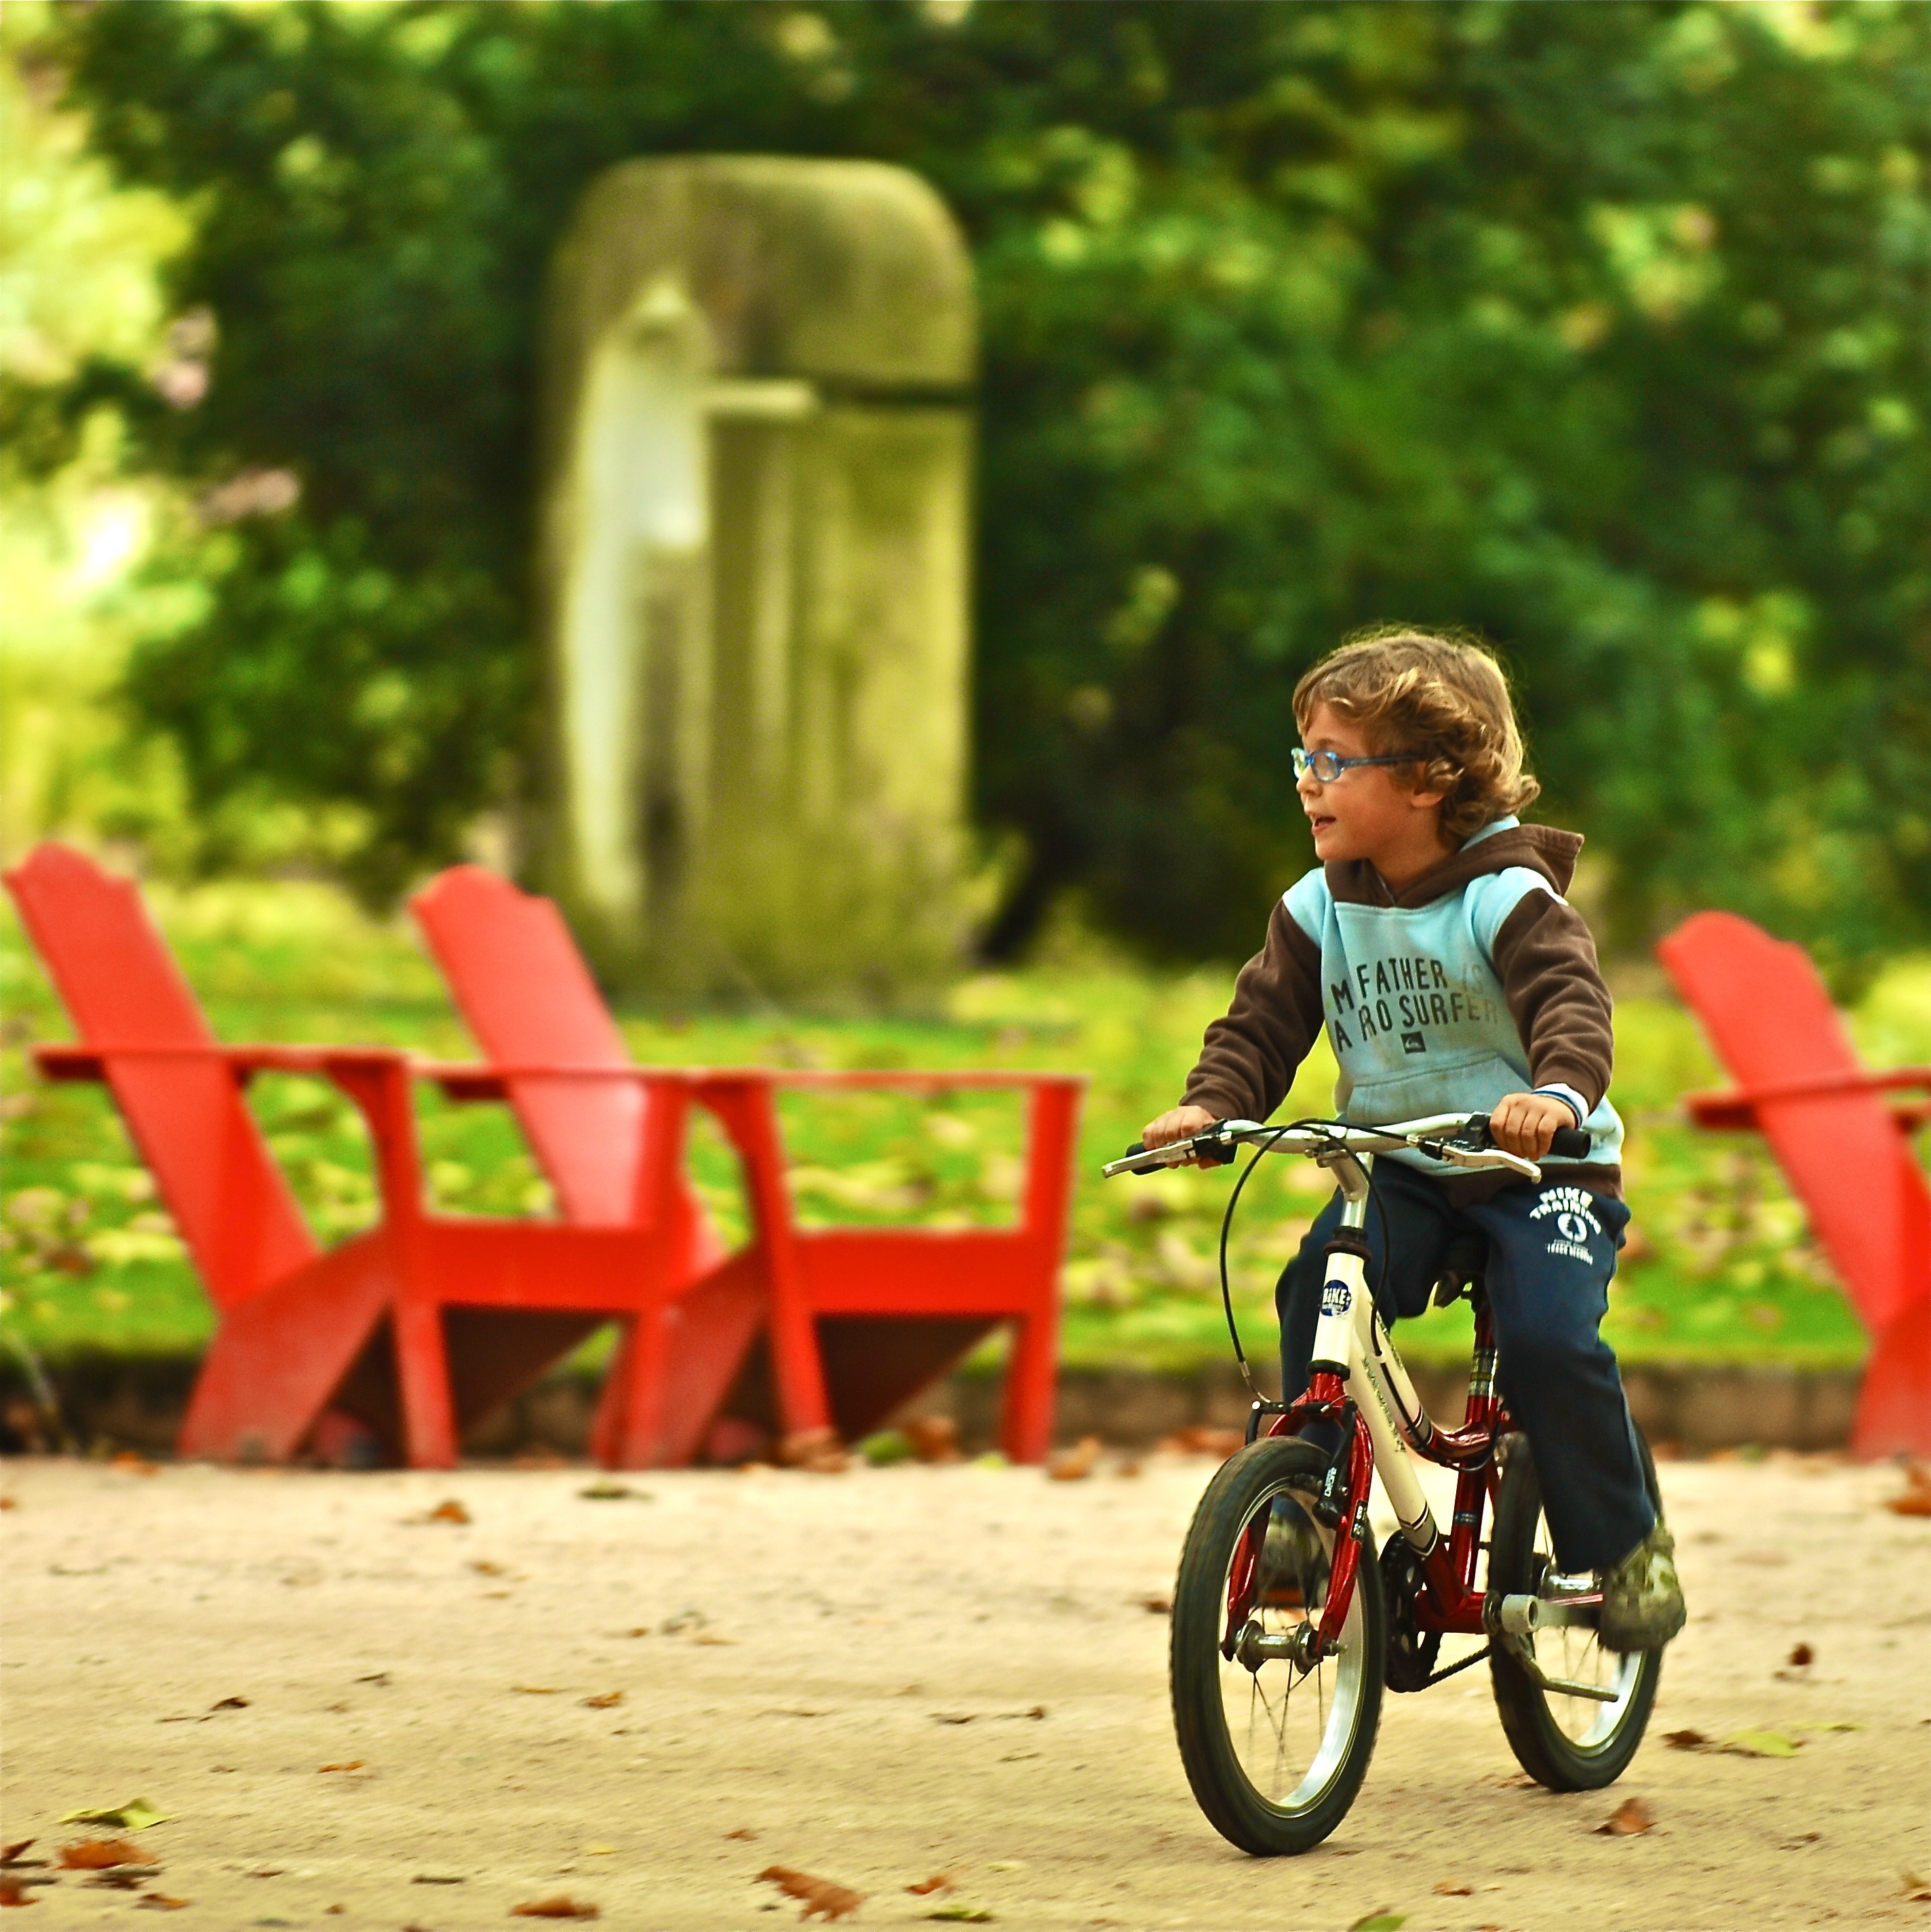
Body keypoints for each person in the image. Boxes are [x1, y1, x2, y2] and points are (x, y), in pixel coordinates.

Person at [1141, 627, 1684, 1651]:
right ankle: (1303, 1511)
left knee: (1549, 1342)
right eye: (1303, 758)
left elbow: (1572, 1005)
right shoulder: (1319, 909)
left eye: (1336, 762)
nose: (1309, 783)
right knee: (1317, 1287)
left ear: (1431, 778)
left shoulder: (1506, 897)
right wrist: (1213, 1108)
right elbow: (1259, 1028)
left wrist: (1559, 1095)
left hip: (1538, 1166)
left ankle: (1626, 1550)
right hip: (1406, 1167)